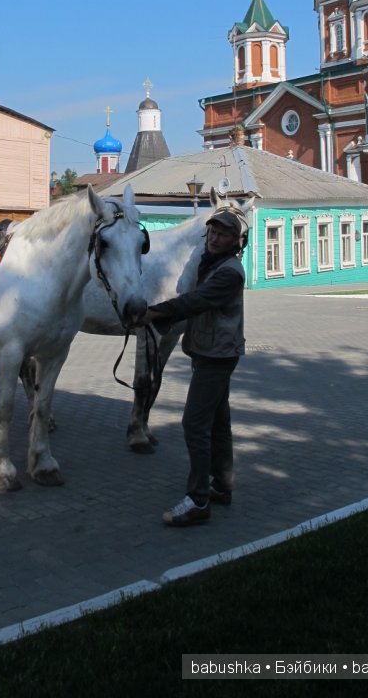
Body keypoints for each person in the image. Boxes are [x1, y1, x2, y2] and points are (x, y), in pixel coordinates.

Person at [141, 207, 246, 527]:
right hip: (210, 351)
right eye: (211, 233)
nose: (214, 239)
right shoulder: (212, 264)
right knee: (217, 422)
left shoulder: (228, 272)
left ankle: (198, 499)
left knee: (194, 424)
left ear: (234, 241)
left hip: (216, 356)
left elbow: (195, 301)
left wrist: (153, 313)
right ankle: (221, 485)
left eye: (222, 234)